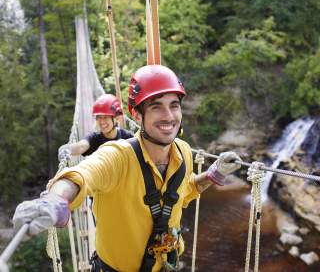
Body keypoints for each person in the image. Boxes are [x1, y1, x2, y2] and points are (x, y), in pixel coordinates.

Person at [13, 65, 243, 272]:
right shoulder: (118, 155)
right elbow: (82, 174)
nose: (169, 116)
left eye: (174, 105)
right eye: (156, 107)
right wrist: (56, 199)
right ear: (137, 115)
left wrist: (214, 174)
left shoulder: (183, 151)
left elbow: (185, 191)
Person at [58, 93, 133, 161]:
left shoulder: (127, 138)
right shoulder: (94, 138)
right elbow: (81, 146)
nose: (102, 121)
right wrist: (67, 149)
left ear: (116, 118)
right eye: (99, 117)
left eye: (106, 117)